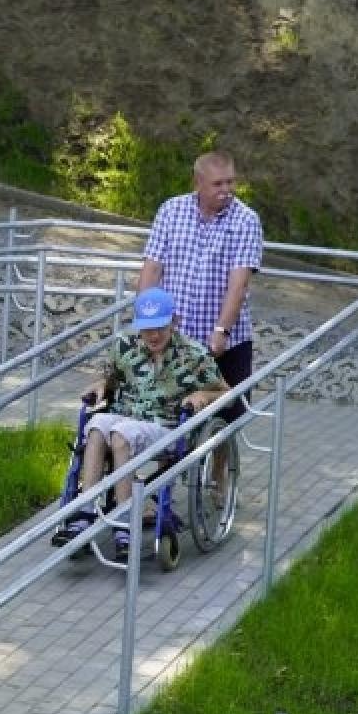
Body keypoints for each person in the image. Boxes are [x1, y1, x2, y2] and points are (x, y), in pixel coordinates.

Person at [50, 288, 227, 562]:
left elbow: (227, 393)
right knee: (97, 424)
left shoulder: (193, 355)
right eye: (147, 329)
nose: (153, 336)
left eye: (160, 328)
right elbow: (111, 378)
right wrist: (101, 385)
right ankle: (84, 513)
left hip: (166, 427)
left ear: (174, 322)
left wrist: (203, 394)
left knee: (121, 433)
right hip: (125, 416)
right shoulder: (125, 345)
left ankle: (124, 525)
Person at [137, 150, 263, 494]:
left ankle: (219, 474)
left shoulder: (245, 220)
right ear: (198, 182)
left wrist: (221, 330)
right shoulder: (171, 210)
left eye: (230, 182)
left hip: (224, 337)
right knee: (169, 405)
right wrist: (145, 318)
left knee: (226, 410)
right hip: (175, 336)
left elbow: (238, 284)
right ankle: (163, 477)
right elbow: (152, 268)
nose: (227, 190)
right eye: (218, 184)